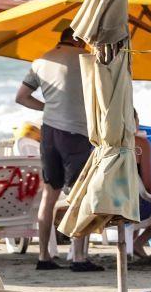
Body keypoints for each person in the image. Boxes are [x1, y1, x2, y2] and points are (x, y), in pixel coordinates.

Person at [15, 27, 102, 272]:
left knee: (49, 195)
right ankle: (78, 257)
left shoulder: (41, 60)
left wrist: (50, 107)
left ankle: (43, 256)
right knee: (80, 195)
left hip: (50, 133)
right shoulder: (88, 61)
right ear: (78, 38)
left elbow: (22, 97)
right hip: (77, 134)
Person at [131, 111, 151, 260]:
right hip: (133, 207)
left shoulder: (104, 142)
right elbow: (147, 185)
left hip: (106, 203)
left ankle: (132, 243)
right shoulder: (140, 144)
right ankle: (138, 242)